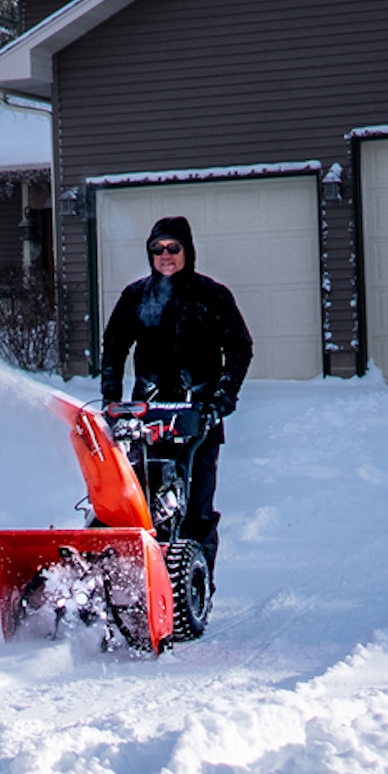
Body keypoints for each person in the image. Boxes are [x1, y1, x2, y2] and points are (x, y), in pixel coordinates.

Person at [100, 215, 253, 577]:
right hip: (146, 417)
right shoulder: (136, 296)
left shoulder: (211, 296)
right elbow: (114, 348)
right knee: (141, 504)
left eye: (173, 247)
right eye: (157, 249)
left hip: (198, 418)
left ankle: (195, 587)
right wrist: (112, 400)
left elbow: (239, 349)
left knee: (195, 509)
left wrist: (221, 400)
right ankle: (142, 583)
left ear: (188, 250)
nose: (165, 255)